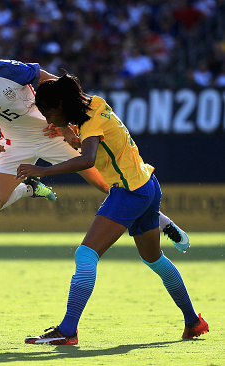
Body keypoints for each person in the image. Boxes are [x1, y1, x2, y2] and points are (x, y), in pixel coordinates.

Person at [0, 24, 189, 252]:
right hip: (15, 146)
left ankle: (164, 223)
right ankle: (30, 189)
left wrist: (64, 125)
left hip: (52, 134)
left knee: (108, 186)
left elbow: (59, 86)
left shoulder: (10, 71)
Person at [19, 73, 208, 345]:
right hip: (147, 184)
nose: (48, 120)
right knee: (154, 260)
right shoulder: (96, 103)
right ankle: (193, 322)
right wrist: (66, 131)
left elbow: (87, 159)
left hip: (129, 191)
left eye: (49, 114)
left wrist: (44, 171)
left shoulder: (88, 121)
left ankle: (68, 330)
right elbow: (93, 142)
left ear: (60, 104)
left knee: (85, 255)